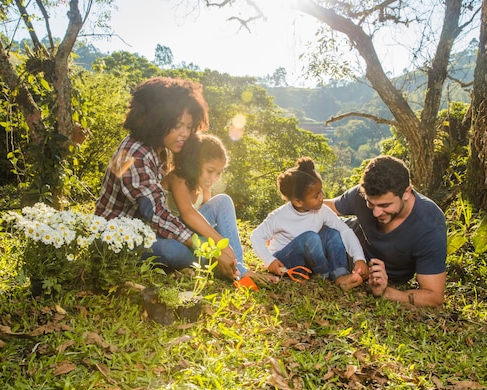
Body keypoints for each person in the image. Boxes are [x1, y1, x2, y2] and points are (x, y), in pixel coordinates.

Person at [94, 76, 238, 279]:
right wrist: (213, 250)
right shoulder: (131, 154)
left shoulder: (159, 147)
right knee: (173, 250)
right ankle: (220, 265)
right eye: (178, 125)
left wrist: (219, 245)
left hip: (150, 228)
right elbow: (156, 214)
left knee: (220, 203)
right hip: (120, 236)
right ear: (158, 120)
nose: (184, 134)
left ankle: (238, 267)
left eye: (188, 127)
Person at [323, 155, 447, 307]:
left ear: (406, 193)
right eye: (370, 204)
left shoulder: (429, 224)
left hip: (378, 275)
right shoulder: (360, 195)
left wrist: (386, 292)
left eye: (385, 205)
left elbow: (434, 296)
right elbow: (329, 208)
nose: (376, 213)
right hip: (343, 243)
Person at [161, 133, 274, 285]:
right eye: (210, 170)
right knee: (172, 251)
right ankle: (233, 268)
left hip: (192, 240)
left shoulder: (203, 188)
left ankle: (235, 267)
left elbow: (207, 226)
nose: (214, 178)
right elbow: (188, 214)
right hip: (172, 235)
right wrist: (224, 246)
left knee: (223, 201)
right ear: (195, 163)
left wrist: (222, 250)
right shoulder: (177, 178)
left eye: (219, 173)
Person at [250, 157, 368, 290]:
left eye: (321, 192)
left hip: (310, 260)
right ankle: (324, 275)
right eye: (316, 196)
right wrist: (269, 260)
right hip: (285, 261)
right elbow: (256, 236)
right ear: (298, 202)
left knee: (333, 232)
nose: (322, 197)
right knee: (310, 237)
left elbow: (345, 231)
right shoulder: (279, 216)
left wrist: (359, 258)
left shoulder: (323, 210)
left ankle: (340, 274)